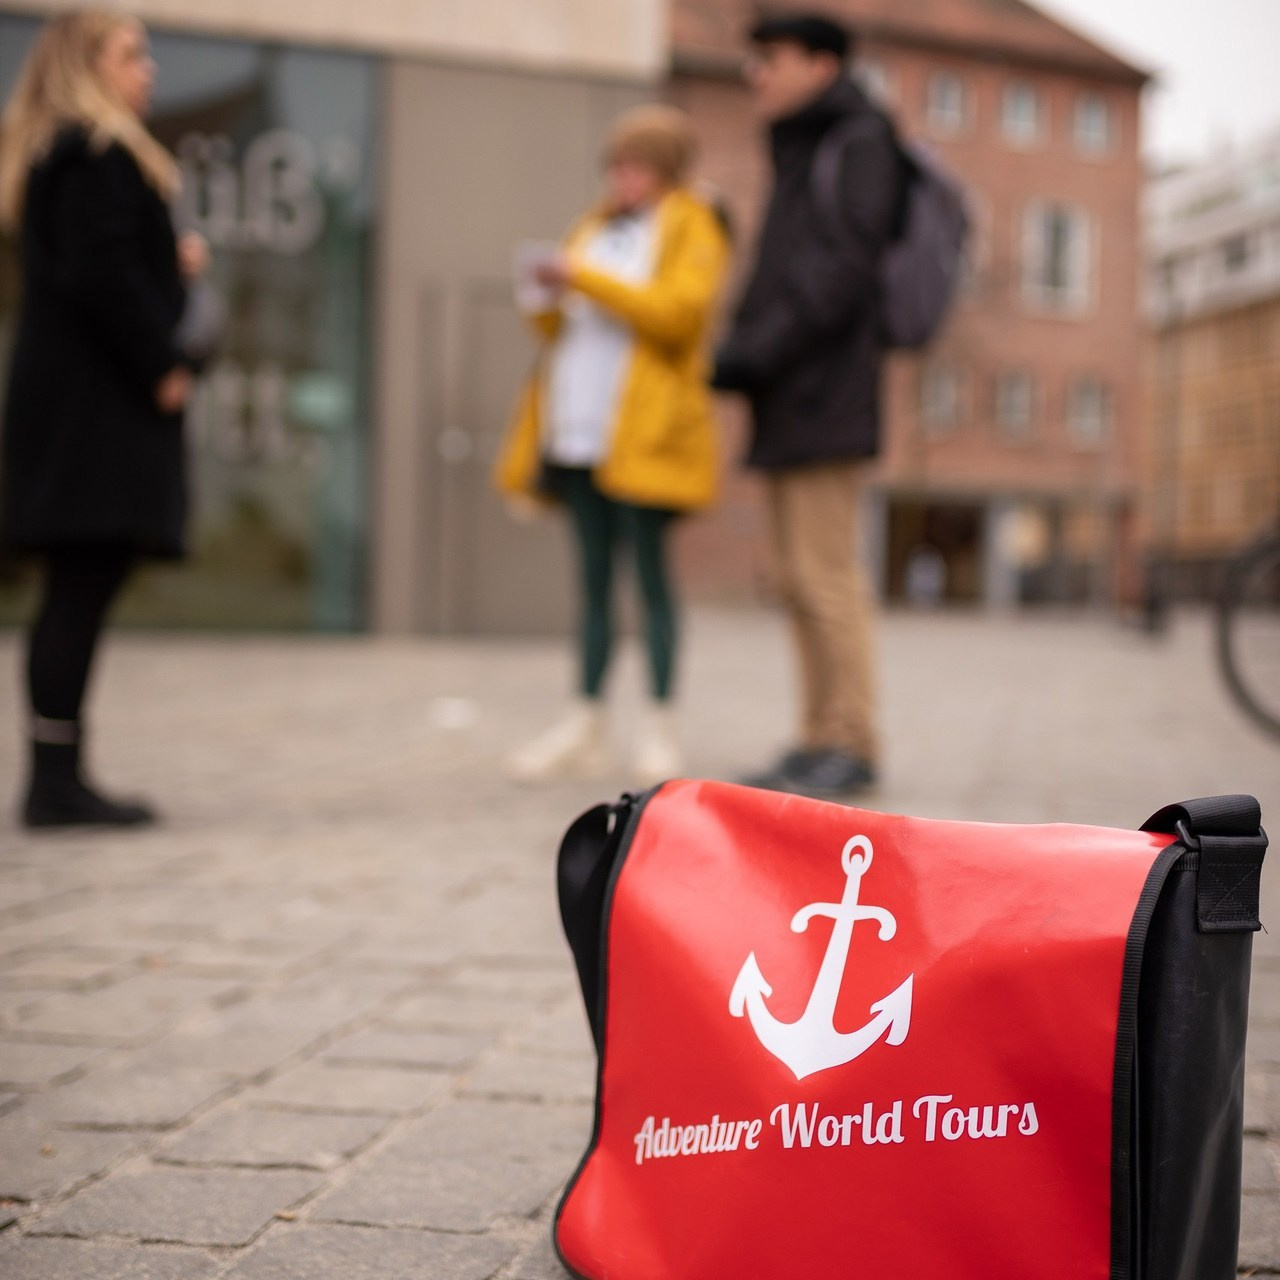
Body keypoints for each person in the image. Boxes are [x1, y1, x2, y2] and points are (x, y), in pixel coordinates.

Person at [0, 10, 204, 827]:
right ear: (87, 64)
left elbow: (100, 261)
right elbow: (103, 272)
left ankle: (59, 771)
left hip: (74, 407)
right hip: (96, 413)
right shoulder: (96, 152)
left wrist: (172, 262)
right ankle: (54, 782)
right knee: (81, 584)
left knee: (77, 586)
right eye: (131, 54)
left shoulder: (66, 155)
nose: (147, 69)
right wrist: (163, 362)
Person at [495, 105, 731, 784]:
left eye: (634, 167)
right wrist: (543, 295)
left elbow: (677, 315)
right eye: (615, 166)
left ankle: (661, 724)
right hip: (578, 429)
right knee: (592, 582)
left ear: (664, 170)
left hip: (647, 436)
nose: (621, 179)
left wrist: (582, 278)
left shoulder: (692, 224)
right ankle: (585, 721)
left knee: (651, 580)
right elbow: (558, 325)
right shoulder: (595, 225)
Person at [712, 13, 905, 798]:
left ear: (821, 65)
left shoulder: (857, 142)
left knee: (826, 574)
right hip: (793, 390)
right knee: (795, 574)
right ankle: (817, 734)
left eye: (771, 60)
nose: (756, 74)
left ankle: (853, 742)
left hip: (826, 389)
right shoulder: (805, 145)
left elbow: (838, 273)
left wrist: (754, 350)